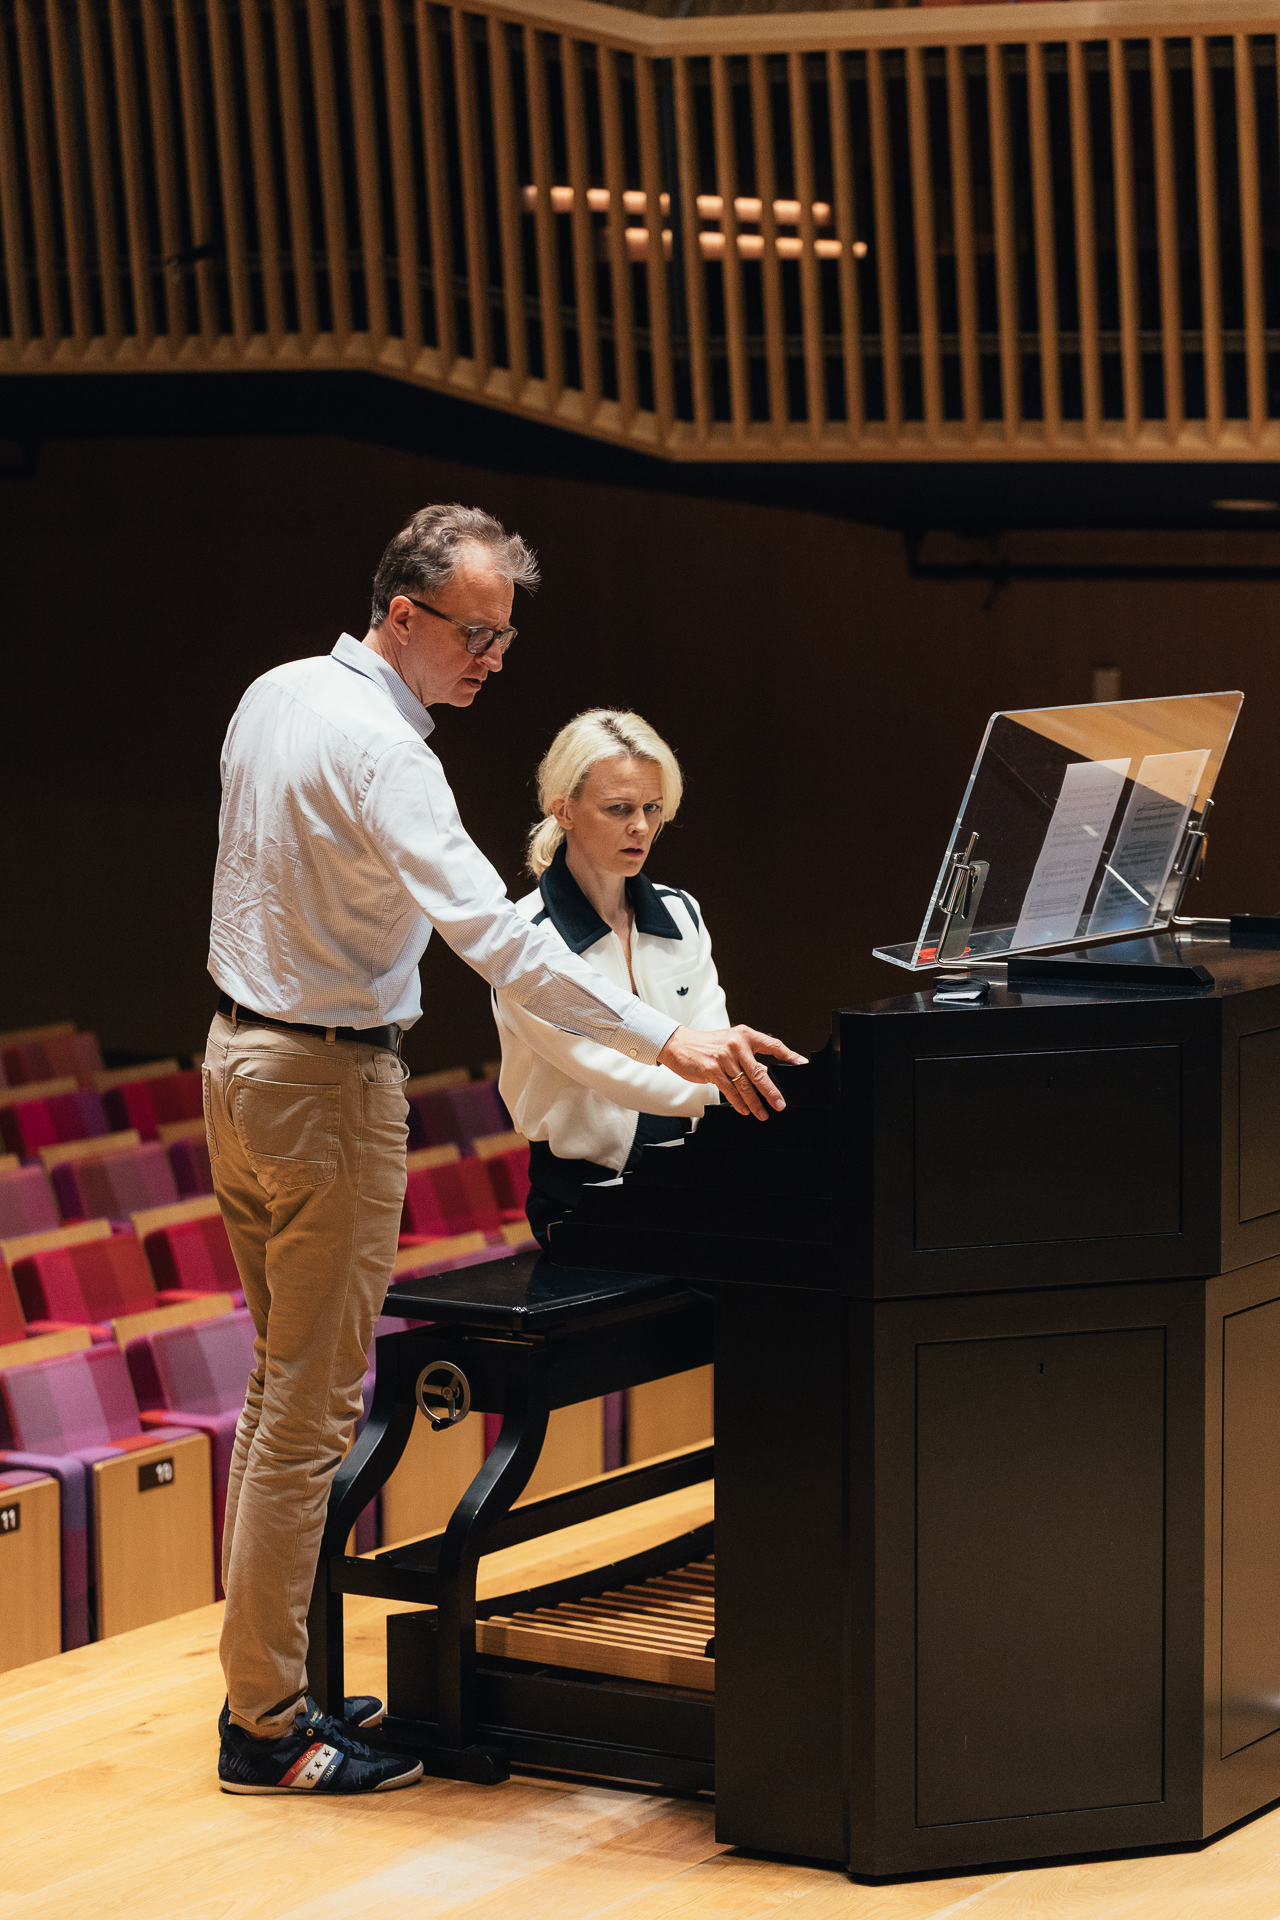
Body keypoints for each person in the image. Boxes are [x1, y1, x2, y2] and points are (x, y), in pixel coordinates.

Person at [203, 502, 802, 1796]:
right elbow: (504, 944)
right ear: (401, 613)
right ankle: (269, 1727)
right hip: (324, 1079)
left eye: (503, 638)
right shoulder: (385, 752)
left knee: (279, 1399)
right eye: (473, 633)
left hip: (236, 1062)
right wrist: (674, 1041)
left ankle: (265, 1691)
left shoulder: (276, 694)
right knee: (308, 1412)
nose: (490, 658)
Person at [495, 709, 729, 1247]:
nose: (641, 827)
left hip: (696, 1173)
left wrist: (739, 1080)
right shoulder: (526, 938)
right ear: (564, 810)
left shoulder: (682, 911)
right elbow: (617, 1075)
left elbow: (712, 1037)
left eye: (652, 808)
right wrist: (752, 1091)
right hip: (583, 1193)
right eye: (618, 809)